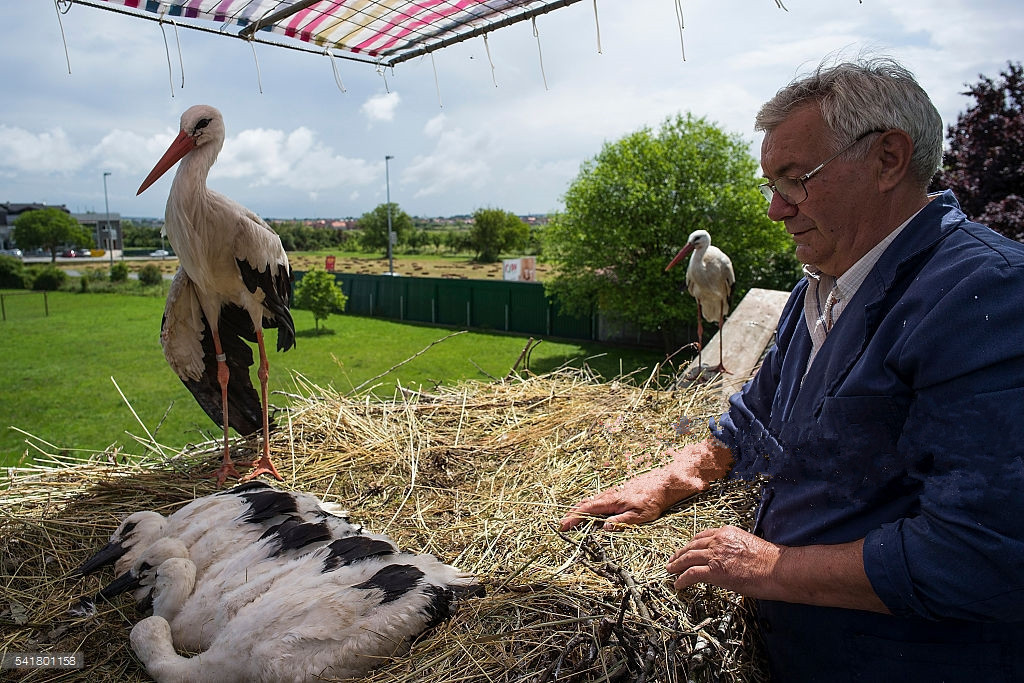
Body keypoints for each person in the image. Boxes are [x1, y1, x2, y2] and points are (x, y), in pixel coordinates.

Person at [560, 55, 1024, 681]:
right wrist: (673, 479)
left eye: (794, 179)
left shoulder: (987, 299)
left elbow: (985, 555)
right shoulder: (827, 283)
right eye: (771, 185)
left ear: (888, 159)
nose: (776, 210)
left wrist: (770, 568)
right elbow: (755, 415)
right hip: (797, 649)